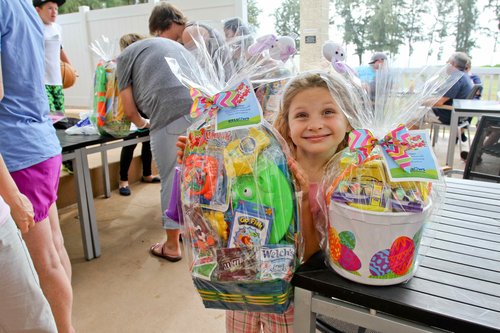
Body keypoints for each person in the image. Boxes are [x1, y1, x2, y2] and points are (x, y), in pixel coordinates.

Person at [176, 71, 354, 332]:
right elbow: (221, 205)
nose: (315, 124)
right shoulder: (264, 160)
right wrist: (199, 159)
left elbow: (312, 257)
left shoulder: (348, 179)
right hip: (242, 276)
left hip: (297, 292)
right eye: (302, 115)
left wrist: (302, 198)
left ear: (348, 121)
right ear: (286, 123)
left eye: (328, 112)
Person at [0, 1, 75, 332]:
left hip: (17, 151)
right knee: (54, 250)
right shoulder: (22, 7)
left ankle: (65, 327)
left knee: (44, 260)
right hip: (39, 143)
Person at [117, 3, 198, 262]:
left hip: (170, 114)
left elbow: (129, 110)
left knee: (172, 179)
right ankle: (194, 231)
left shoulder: (125, 56)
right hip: (203, 108)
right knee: (195, 175)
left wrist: (144, 123)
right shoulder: (172, 46)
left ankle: (172, 246)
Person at [117, 33, 160, 196]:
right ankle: (123, 181)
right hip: (130, 111)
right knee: (129, 144)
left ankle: (147, 174)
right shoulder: (123, 65)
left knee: (148, 142)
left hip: (145, 108)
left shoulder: (143, 65)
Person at [33, 0, 73, 127]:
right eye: (50, 8)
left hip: (56, 80)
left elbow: (59, 49)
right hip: (42, 81)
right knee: (50, 118)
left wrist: (70, 66)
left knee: (60, 117)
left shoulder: (57, 28)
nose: (54, 12)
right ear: (38, 10)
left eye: (56, 9)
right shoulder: (35, 28)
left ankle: (60, 145)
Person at [427, 52, 473, 143]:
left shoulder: (456, 78)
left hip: (448, 115)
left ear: (453, 64)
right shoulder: (464, 77)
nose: (446, 65)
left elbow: (439, 102)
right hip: (460, 116)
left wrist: (421, 101)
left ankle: (409, 149)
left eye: (447, 62)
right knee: (418, 112)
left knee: (414, 114)